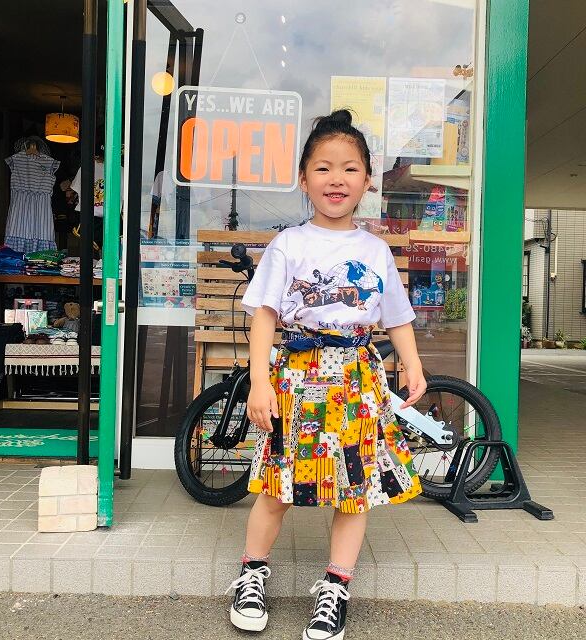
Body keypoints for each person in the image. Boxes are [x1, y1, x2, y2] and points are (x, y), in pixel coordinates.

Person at [226, 110, 426, 640]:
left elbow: (397, 316)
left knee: (353, 488)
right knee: (277, 484)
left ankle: (336, 587)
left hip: (356, 380)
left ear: (366, 180)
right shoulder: (289, 244)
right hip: (295, 376)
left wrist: (412, 363)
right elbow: (264, 316)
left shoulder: (375, 250)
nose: (336, 179)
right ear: (303, 178)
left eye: (349, 168)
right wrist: (260, 383)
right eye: (323, 168)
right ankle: (251, 575)